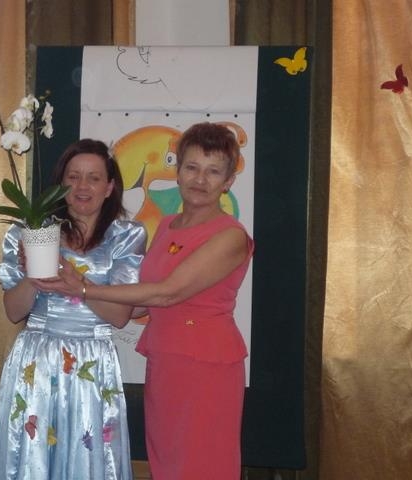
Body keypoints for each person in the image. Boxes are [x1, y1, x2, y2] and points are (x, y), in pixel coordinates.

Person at [44, 122, 254, 479]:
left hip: (206, 367)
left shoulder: (230, 235)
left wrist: (84, 288)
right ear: (177, 171)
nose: (200, 179)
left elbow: (166, 292)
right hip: (165, 360)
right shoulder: (168, 225)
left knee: (202, 464)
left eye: (213, 171)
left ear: (228, 181)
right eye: (192, 167)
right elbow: (142, 301)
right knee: (167, 461)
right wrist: (74, 309)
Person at [0, 139, 147, 479]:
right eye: (73, 177)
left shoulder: (126, 235)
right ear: (60, 185)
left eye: (94, 178)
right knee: (33, 461)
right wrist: (35, 274)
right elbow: (13, 312)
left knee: (86, 461)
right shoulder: (31, 231)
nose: (82, 186)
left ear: (109, 187)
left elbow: (120, 315)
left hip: (93, 361)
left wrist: (77, 284)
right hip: (37, 358)